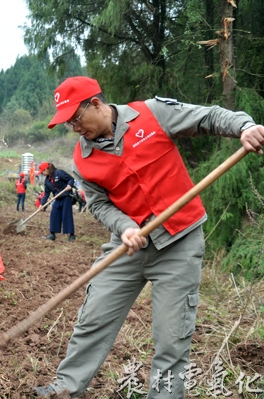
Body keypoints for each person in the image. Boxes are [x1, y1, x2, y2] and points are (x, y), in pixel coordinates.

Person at [32, 76, 264, 398]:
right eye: (67, 122)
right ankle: (64, 388)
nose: (73, 127)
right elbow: (98, 204)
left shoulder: (152, 113)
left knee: (172, 340)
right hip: (128, 247)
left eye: (75, 118)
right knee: (93, 318)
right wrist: (125, 227)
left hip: (179, 244)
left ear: (95, 104)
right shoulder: (82, 161)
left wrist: (243, 126)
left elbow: (207, 116)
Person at [38, 162, 76, 242]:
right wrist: (42, 204)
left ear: (46, 169)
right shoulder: (47, 181)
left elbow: (71, 179)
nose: (42, 173)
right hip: (58, 198)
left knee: (66, 215)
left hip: (66, 196)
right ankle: (52, 234)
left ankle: (71, 235)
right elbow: (46, 194)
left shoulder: (59, 173)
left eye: (42, 172)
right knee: (54, 214)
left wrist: (69, 185)